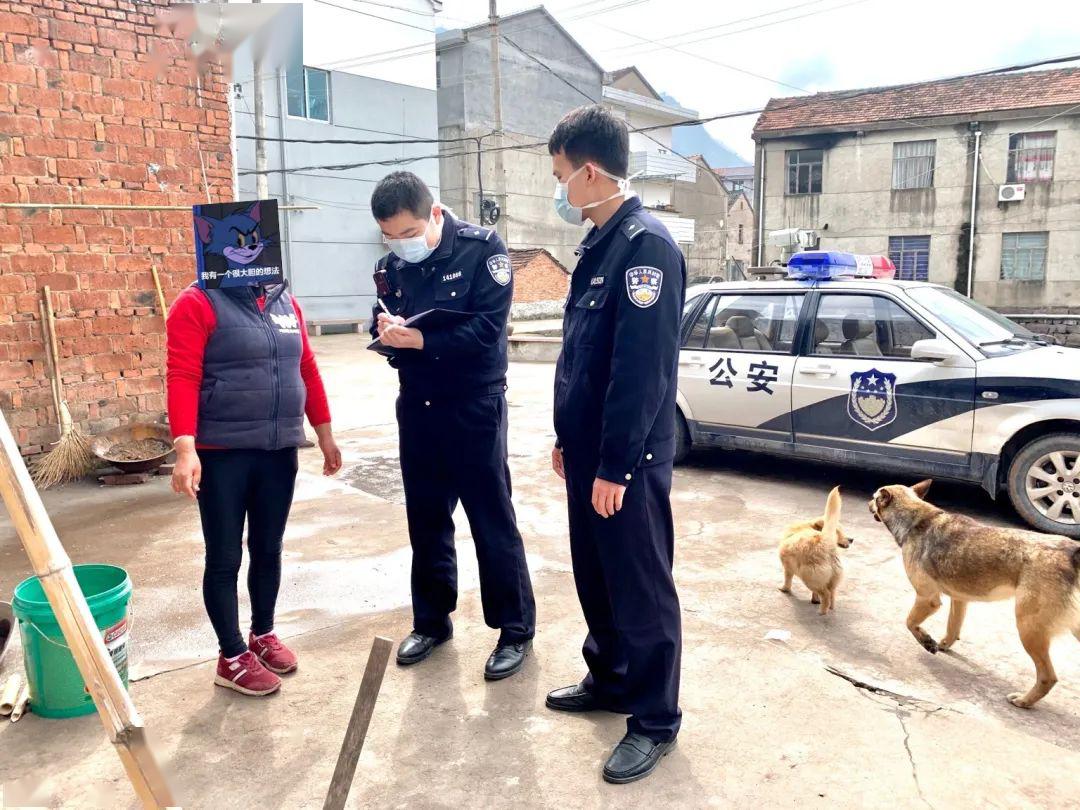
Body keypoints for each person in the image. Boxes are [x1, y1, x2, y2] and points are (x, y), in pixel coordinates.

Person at [544, 105, 685, 784]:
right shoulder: (598, 246)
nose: (560, 188)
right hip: (588, 455)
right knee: (596, 575)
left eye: (561, 176)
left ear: (591, 172)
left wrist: (616, 465)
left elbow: (642, 371)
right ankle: (610, 679)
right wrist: (567, 438)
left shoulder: (645, 248)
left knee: (640, 587)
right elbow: (580, 359)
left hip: (625, 462)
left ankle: (655, 718)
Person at [368, 171, 536, 680]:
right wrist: (385, 330)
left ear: (434, 214)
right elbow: (383, 314)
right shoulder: (390, 267)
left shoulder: (482, 250)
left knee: (490, 519)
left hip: (473, 405)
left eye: (408, 232)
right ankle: (431, 621)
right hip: (418, 406)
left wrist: (421, 341)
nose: (401, 244)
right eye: (390, 236)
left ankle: (514, 629)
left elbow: (488, 328)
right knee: (425, 519)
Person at [166, 277, 342, 696]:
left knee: (268, 547)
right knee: (224, 556)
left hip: (279, 450)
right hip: (222, 453)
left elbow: (306, 368)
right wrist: (185, 449)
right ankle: (230, 656)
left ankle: (262, 633)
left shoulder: (285, 302)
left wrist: (325, 433)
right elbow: (183, 374)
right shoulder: (197, 302)